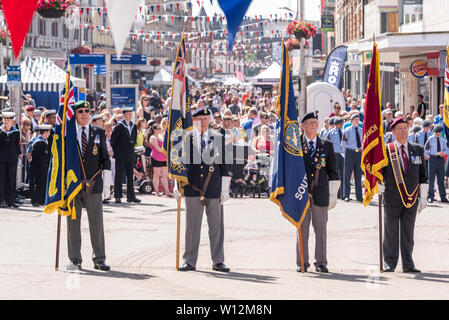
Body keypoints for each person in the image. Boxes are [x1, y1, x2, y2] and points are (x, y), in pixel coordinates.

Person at [176, 107, 231, 273]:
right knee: (192, 227)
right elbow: (179, 164)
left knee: (216, 227)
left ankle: (218, 260)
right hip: (193, 188)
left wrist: (224, 189)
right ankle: (189, 260)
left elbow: (225, 165)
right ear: (194, 121)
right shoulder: (186, 138)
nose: (204, 122)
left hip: (213, 188)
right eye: (200, 119)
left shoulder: (219, 138)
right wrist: (177, 185)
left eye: (206, 119)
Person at [66, 100, 112, 271]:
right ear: (75, 114)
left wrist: (107, 184)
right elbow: (62, 159)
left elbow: (105, 159)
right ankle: (74, 259)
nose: (84, 114)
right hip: (73, 185)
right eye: (80, 111)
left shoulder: (98, 132)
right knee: (73, 222)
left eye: (87, 110)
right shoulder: (68, 133)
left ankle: (99, 258)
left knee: (96, 223)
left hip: (93, 184)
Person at [381, 117, 428, 273]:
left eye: (405, 128)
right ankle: (389, 263)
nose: (403, 131)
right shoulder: (387, 150)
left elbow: (423, 175)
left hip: (411, 198)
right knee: (391, 233)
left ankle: (408, 264)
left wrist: (424, 196)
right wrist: (378, 186)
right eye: (399, 128)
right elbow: (380, 174)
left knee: (408, 233)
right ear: (393, 132)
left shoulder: (417, 149)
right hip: (392, 197)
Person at [298, 111, 339, 273]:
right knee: (302, 230)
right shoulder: (296, 145)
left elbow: (333, 171)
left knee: (321, 230)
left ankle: (321, 262)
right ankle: (301, 261)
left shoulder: (326, 145)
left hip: (320, 193)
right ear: (303, 126)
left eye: (315, 122)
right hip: (300, 194)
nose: (314, 125)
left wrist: (333, 194)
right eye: (310, 123)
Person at [110, 107, 141, 204]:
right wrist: (117, 151)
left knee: (130, 175)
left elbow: (134, 139)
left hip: (130, 153)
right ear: (123, 115)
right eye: (127, 114)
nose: (129, 115)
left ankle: (131, 196)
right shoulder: (119, 126)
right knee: (119, 175)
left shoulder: (133, 126)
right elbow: (113, 141)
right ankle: (118, 196)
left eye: (130, 114)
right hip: (120, 154)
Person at [0, 112, 21, 208]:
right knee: (2, 179)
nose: (5, 123)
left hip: (12, 158)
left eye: (8, 121)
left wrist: (19, 155)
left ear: (12, 121)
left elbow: (17, 144)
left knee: (11, 179)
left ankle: (11, 201)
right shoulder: (0, 131)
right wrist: (2, 133)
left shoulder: (15, 132)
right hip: (2, 159)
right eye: (4, 120)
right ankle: (1, 200)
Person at [424, 125, 449, 203]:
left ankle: (443, 197)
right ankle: (430, 197)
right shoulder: (430, 139)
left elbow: (447, 150)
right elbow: (426, 149)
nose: (437, 134)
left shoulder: (443, 140)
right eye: (436, 132)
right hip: (432, 159)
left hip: (440, 160)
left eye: (439, 132)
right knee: (431, 179)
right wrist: (428, 155)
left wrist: (443, 153)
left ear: (441, 132)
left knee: (441, 179)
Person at [342, 114, 363, 202]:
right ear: (351, 121)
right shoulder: (347, 130)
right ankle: (346, 195)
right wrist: (344, 154)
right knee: (347, 175)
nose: (357, 121)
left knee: (358, 175)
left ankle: (359, 195)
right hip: (350, 152)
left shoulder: (361, 130)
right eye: (355, 120)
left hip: (358, 153)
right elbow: (343, 142)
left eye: (358, 120)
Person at [30, 125, 51, 207]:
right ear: (45, 132)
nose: (49, 134)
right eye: (48, 132)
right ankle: (36, 200)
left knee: (42, 183)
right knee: (38, 183)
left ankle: (41, 200)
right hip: (38, 167)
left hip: (43, 166)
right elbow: (34, 156)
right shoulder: (38, 142)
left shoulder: (44, 141)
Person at [149, 124, 172, 197]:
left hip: (163, 158)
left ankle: (167, 192)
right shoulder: (153, 137)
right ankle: (157, 192)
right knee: (157, 176)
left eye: (160, 128)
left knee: (165, 176)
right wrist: (167, 151)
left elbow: (166, 132)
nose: (160, 129)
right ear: (154, 130)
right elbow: (158, 148)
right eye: (158, 128)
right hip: (156, 158)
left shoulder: (160, 136)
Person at [326, 117, 345, 199]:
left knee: (343, 174)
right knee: (335, 174)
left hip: (343, 154)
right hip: (335, 154)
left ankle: (343, 194)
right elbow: (326, 143)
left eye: (342, 123)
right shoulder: (331, 132)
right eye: (340, 123)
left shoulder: (344, 132)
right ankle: (336, 193)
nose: (341, 125)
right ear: (336, 124)